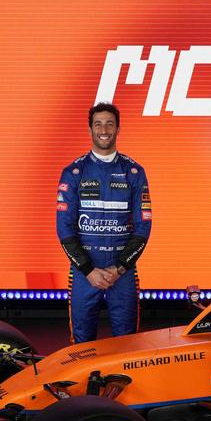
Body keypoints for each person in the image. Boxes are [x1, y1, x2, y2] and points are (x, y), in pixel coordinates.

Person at [56, 102, 152, 343]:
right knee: (81, 345)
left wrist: (119, 268)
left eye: (110, 124)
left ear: (118, 129)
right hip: (84, 271)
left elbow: (144, 227)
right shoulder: (73, 172)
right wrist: (88, 270)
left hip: (123, 272)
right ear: (89, 130)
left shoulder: (134, 172)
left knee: (127, 343)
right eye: (98, 124)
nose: (104, 129)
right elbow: (64, 229)